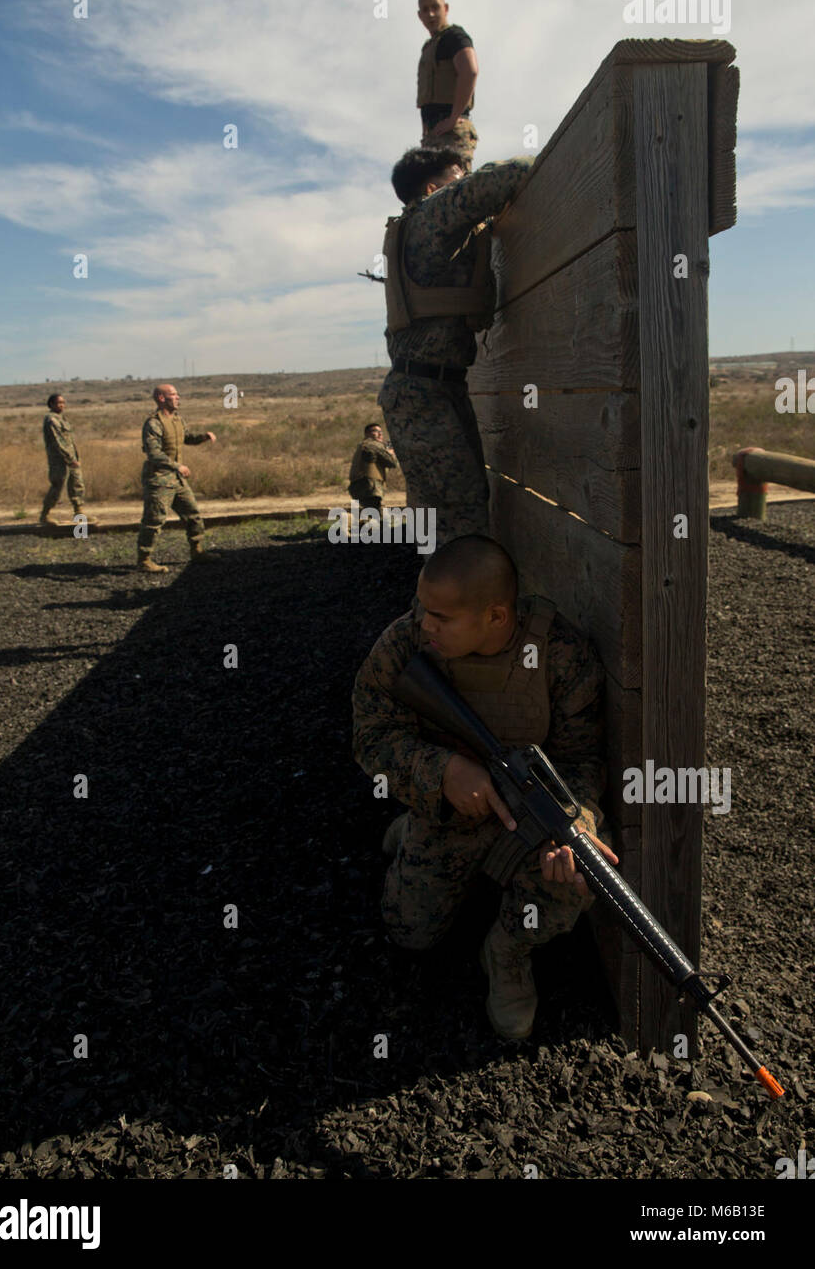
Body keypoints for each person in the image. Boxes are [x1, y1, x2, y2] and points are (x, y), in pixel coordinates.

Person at [352, 534, 615, 1041]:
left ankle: (508, 951)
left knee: (577, 874)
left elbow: (582, 760)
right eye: (424, 609)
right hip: (452, 811)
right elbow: (369, 734)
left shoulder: (562, 656)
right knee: (410, 934)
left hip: (528, 819)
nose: (424, 624)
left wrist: (577, 819)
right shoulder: (408, 640)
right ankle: (412, 826)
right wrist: (442, 772)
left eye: (442, 618)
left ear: (495, 617)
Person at [378, 147, 532, 548]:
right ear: (432, 187)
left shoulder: (413, 228)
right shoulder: (432, 212)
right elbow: (511, 173)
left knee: (443, 517)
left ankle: (437, 606)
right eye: (457, 175)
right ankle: (450, 607)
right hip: (426, 392)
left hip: (429, 388)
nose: (464, 181)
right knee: (459, 521)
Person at [137, 383, 219, 572]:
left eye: (177, 394)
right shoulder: (153, 423)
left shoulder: (177, 420)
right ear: (161, 398)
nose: (178, 397)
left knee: (193, 515)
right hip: (159, 480)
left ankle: (197, 551)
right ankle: (144, 560)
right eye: (173, 395)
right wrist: (177, 466)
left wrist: (203, 437)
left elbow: (186, 438)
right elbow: (153, 453)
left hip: (177, 480)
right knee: (154, 520)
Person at [416, 0, 480, 171]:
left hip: (451, 133)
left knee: (456, 187)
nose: (431, 14)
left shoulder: (454, 36)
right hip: (433, 136)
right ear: (419, 15)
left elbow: (470, 71)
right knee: (435, 194)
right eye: (425, 9)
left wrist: (454, 117)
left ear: (446, 8)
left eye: (435, 7)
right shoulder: (429, 47)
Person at [39, 393, 98, 527]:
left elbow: (68, 441)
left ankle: (79, 513)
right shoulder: (51, 420)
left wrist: (74, 457)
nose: (62, 405)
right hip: (59, 460)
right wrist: (70, 458)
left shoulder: (61, 419)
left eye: (63, 402)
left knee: (76, 485)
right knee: (57, 486)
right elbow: (58, 441)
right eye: (59, 403)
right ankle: (45, 515)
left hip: (71, 459)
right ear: (52, 404)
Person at [348, 423, 398, 515]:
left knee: (370, 512)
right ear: (367, 434)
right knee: (376, 514)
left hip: (358, 486)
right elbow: (392, 463)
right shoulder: (373, 444)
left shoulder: (362, 445)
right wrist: (391, 453)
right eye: (375, 431)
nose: (380, 434)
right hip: (371, 486)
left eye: (381, 432)